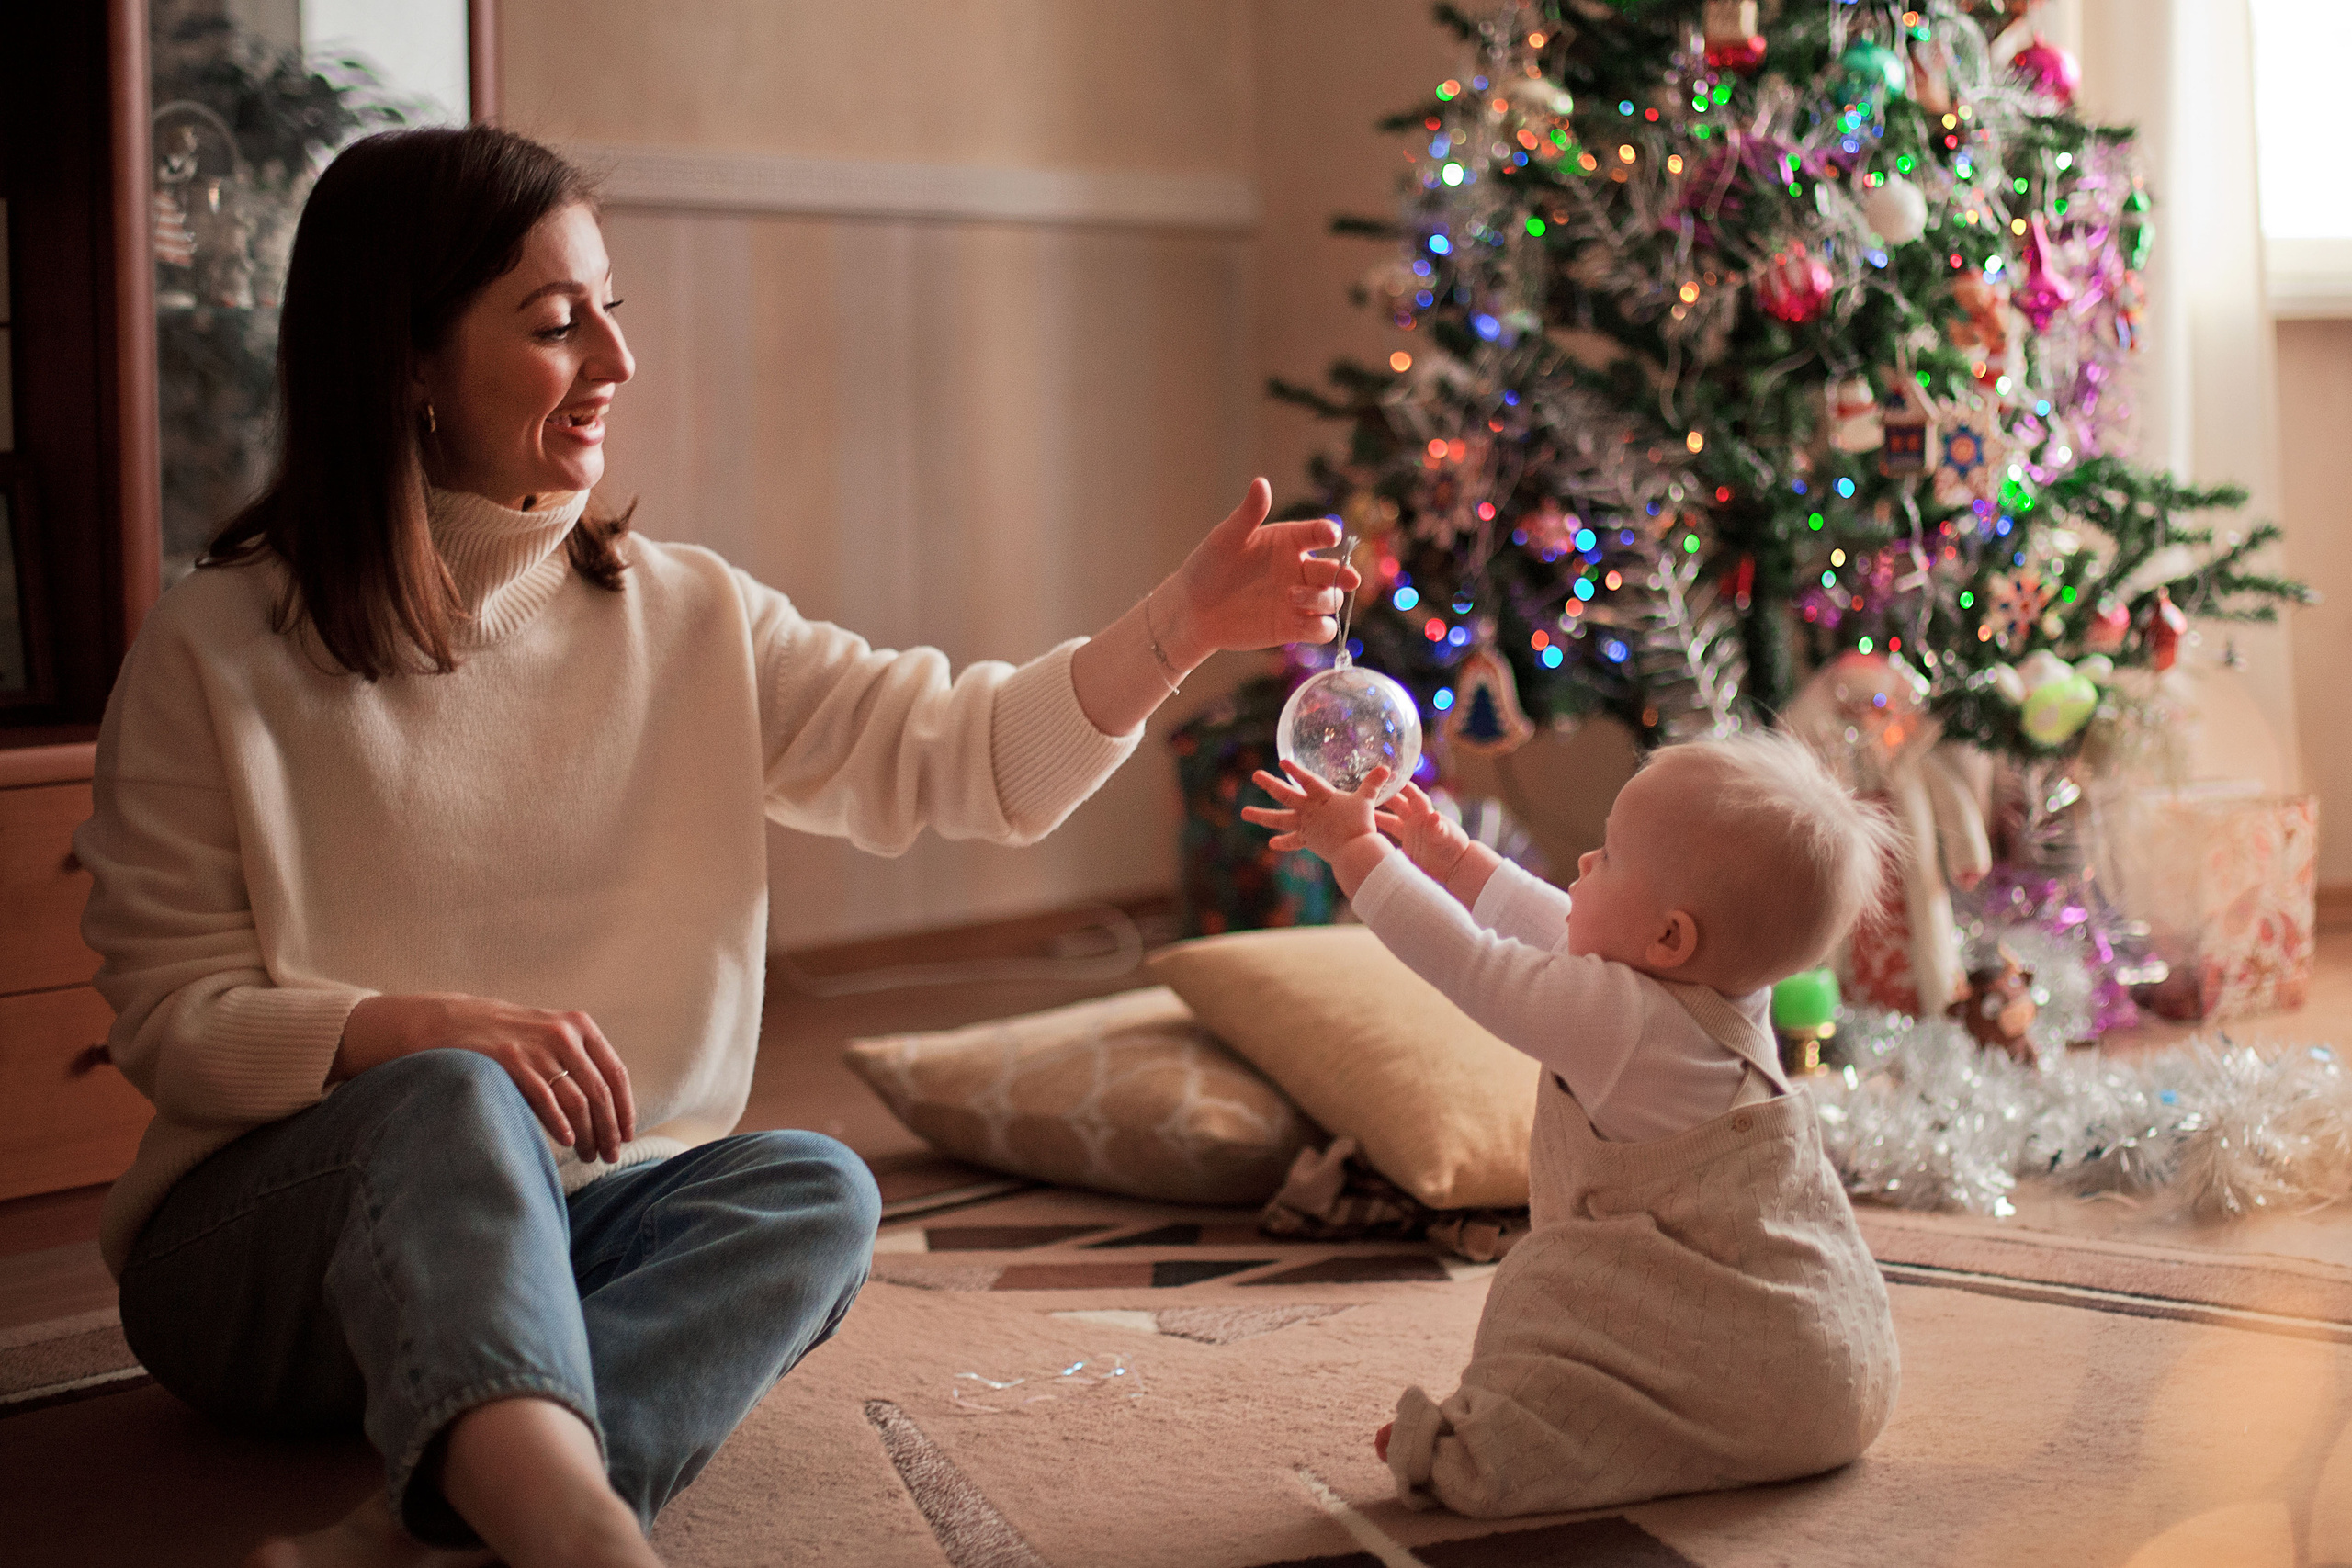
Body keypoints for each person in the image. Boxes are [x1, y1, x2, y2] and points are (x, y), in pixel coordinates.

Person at [76, 124, 1359, 1568]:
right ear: (409, 364)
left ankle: (447, 1524)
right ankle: (579, 1530)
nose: (617, 360)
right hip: (269, 1266)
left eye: (611, 308)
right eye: (556, 325)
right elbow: (172, 1022)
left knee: (814, 1187)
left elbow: (977, 759)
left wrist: (1180, 626)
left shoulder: (688, 616)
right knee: (446, 1098)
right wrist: (404, 1031)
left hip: (572, 1241)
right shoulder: (214, 644)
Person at [1241, 731, 1903, 1517]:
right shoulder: (1719, 992)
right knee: (1608, 1336)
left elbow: (1468, 961)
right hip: (1835, 1356)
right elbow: (1564, 925)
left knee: (1549, 1286)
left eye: (1608, 856)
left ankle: (1480, 1448)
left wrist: (1355, 851)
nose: (1584, 863)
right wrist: (1456, 860)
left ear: (1669, 937)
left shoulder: (1620, 1022)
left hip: (1751, 1361)